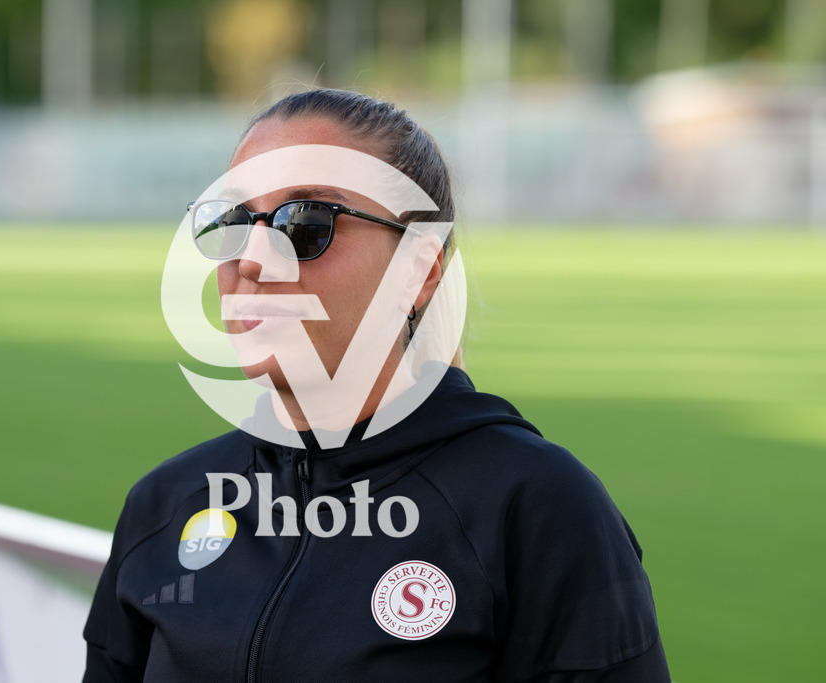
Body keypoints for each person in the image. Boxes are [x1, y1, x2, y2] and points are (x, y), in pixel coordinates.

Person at [82, 89, 671, 682]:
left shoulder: (536, 507)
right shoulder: (167, 505)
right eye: (231, 222)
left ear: (419, 270)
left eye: (306, 221)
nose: (253, 259)